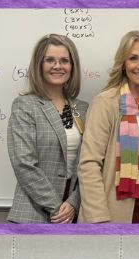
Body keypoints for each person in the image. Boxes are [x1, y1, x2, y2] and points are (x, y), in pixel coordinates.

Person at [78, 30, 139, 223]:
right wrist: (98, 217)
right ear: (123, 64)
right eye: (133, 58)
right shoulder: (105, 103)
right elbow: (89, 164)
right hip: (112, 210)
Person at [7, 34, 88, 223]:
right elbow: (23, 163)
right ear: (39, 65)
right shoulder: (25, 106)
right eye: (50, 60)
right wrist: (56, 207)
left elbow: (89, 164)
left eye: (64, 61)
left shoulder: (83, 109)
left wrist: (74, 203)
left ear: (72, 66)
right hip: (32, 212)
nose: (57, 66)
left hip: (75, 213)